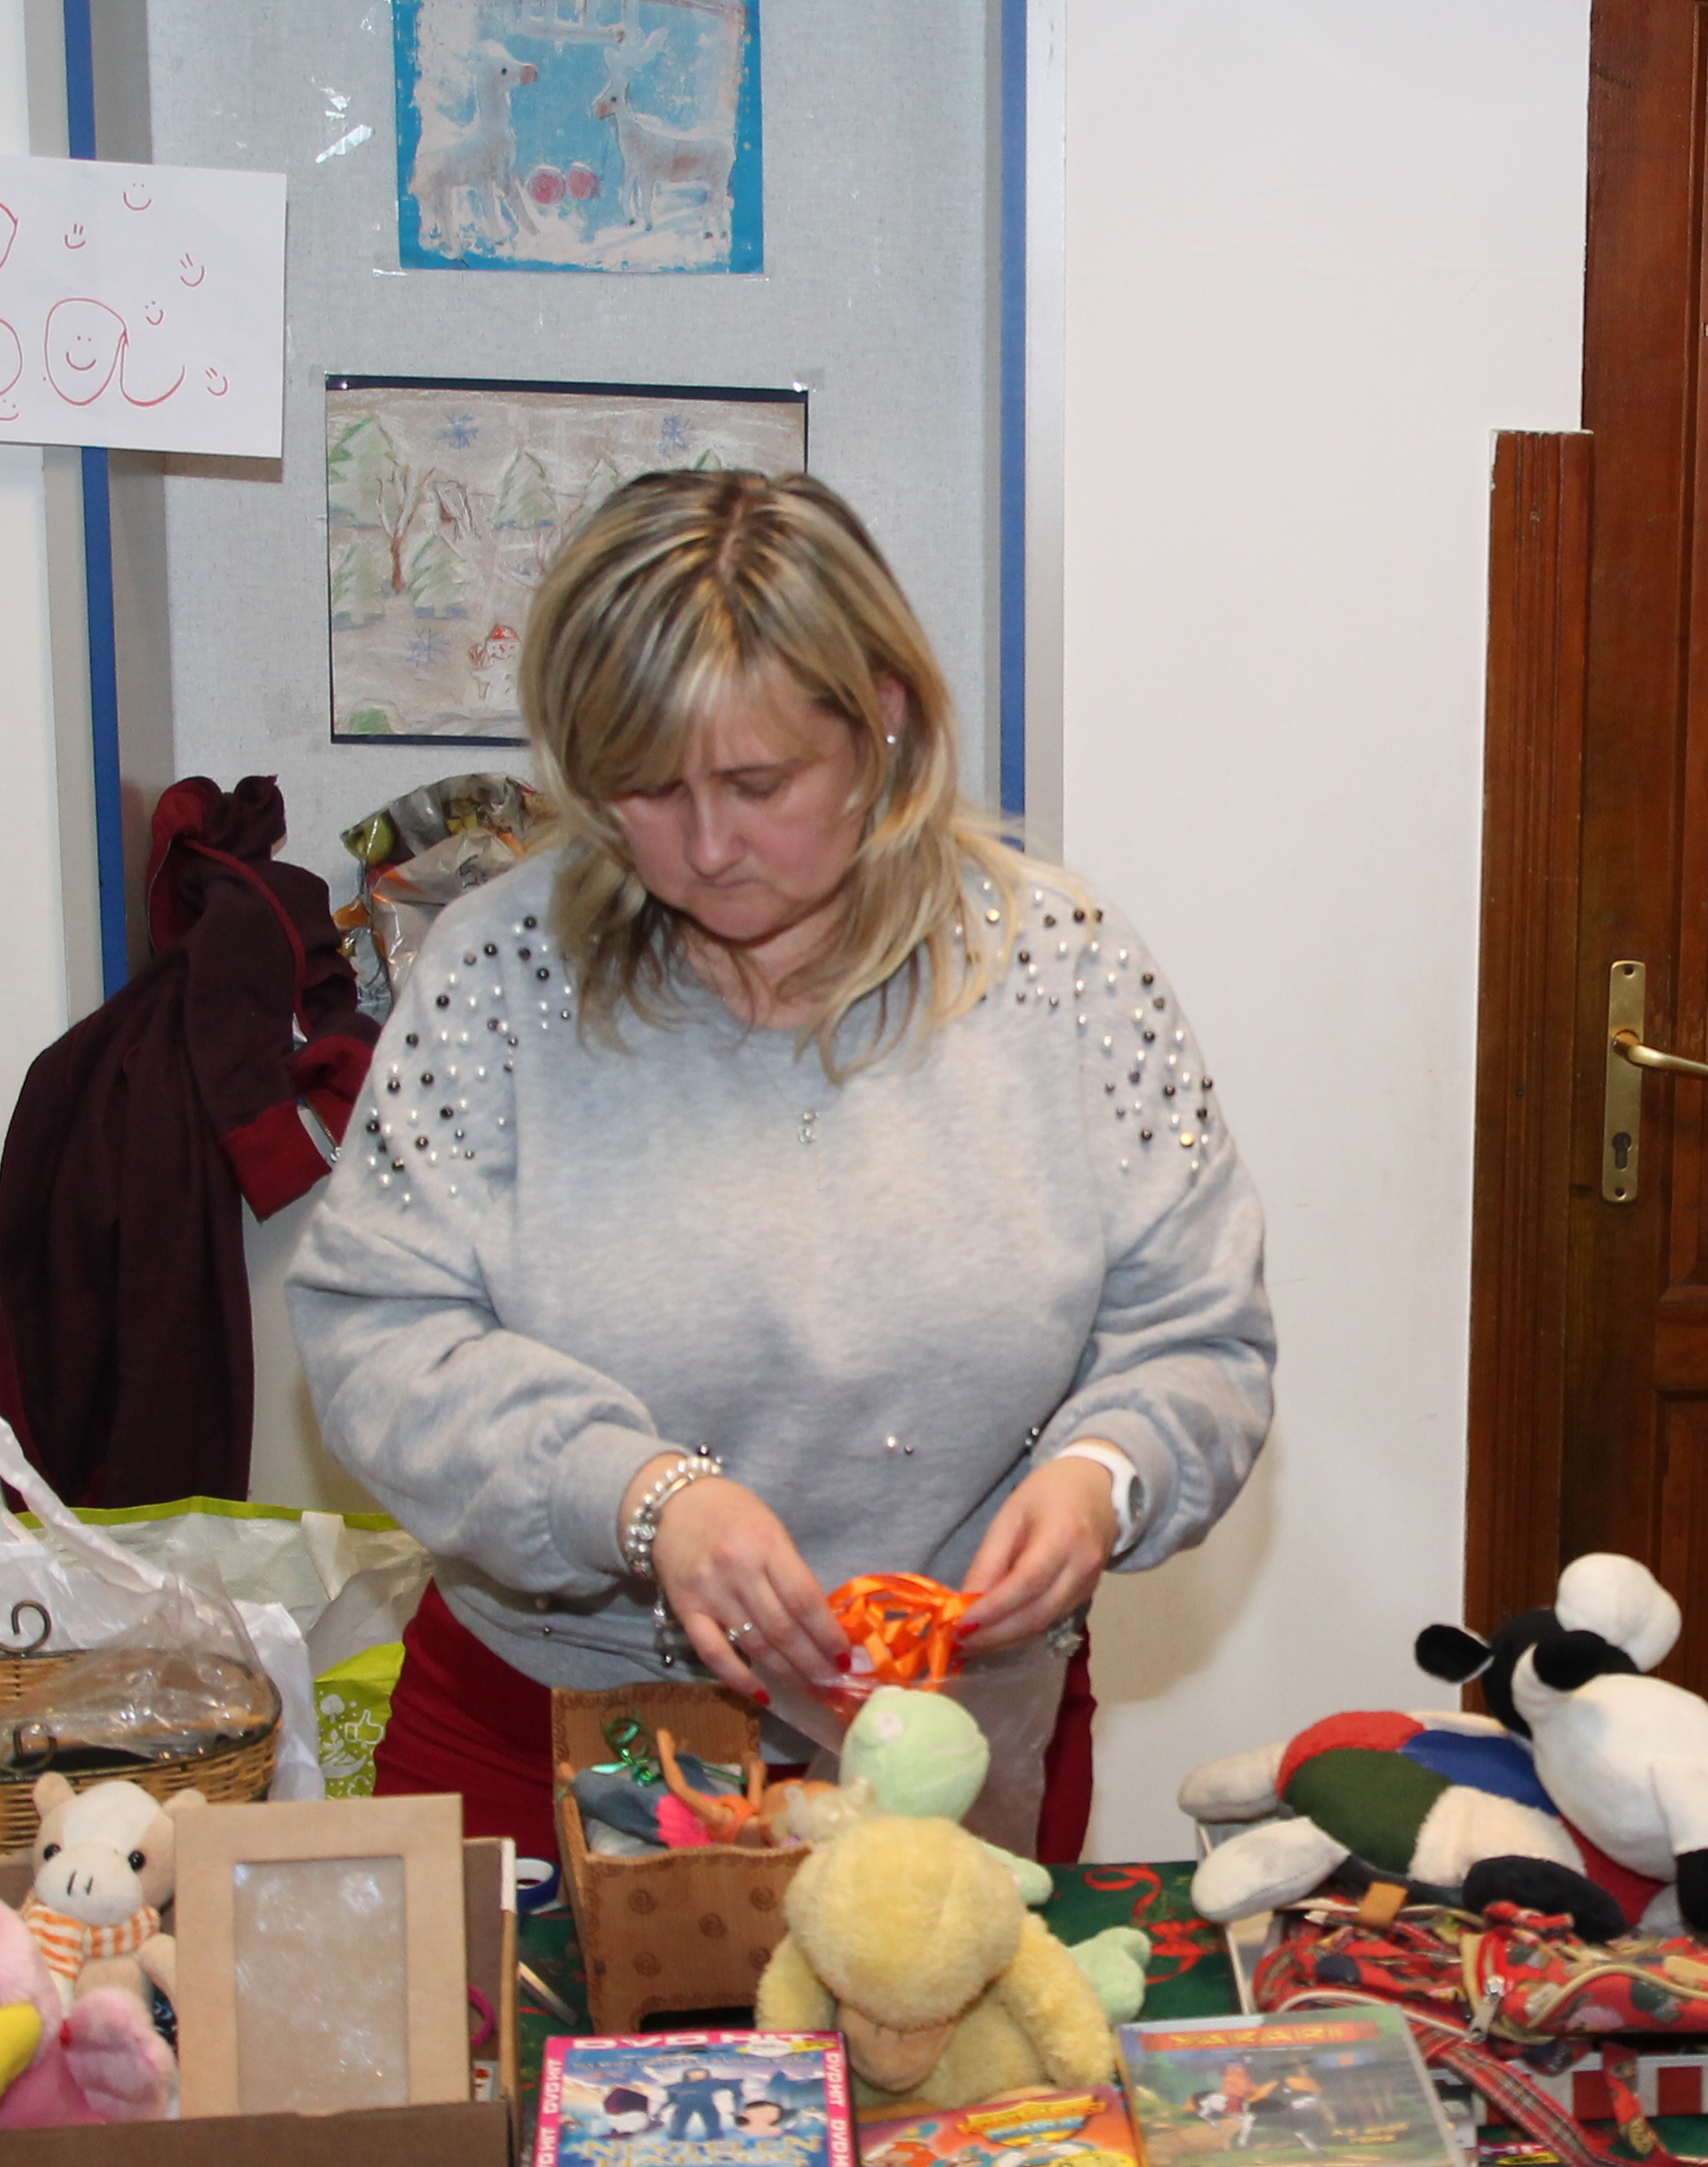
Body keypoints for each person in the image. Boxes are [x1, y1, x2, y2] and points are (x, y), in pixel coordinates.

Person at [291, 470, 1274, 1857]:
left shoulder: (1061, 969)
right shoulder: (502, 974)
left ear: (883, 718)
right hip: (549, 1732)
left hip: (937, 1744)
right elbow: (379, 1342)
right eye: (645, 789)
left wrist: (1111, 1471)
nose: (706, 847)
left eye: (759, 784)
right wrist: (636, 1498)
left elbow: (1201, 1337)